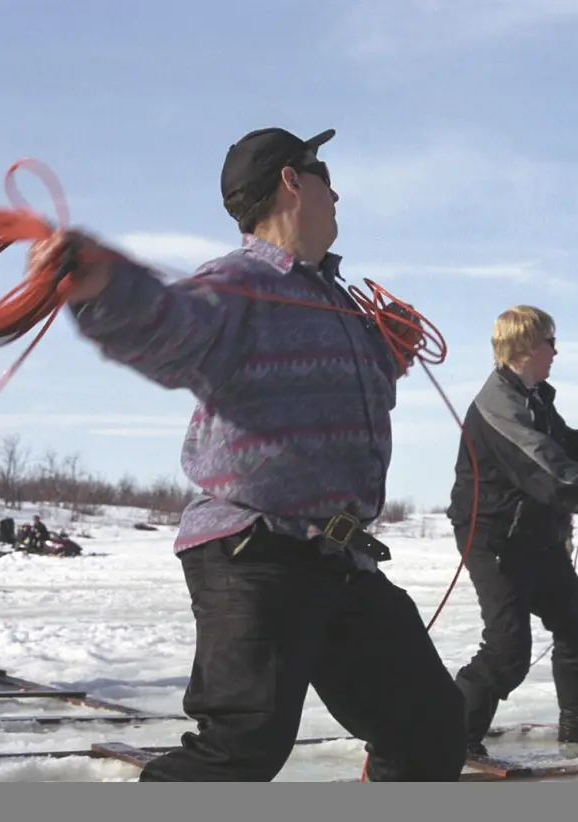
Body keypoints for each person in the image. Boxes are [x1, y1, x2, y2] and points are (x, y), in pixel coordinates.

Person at [26, 126, 466, 782]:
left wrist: (382, 355)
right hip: (253, 550)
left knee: (429, 727)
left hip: (336, 558)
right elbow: (167, 324)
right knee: (242, 745)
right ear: (293, 180)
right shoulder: (237, 285)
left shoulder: (336, 301)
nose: (336, 190)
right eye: (324, 174)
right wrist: (103, 287)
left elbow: (336, 404)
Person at [446, 305, 578, 758]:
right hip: (494, 538)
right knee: (507, 650)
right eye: (550, 342)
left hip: (535, 535)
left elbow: (565, 443)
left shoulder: (532, 397)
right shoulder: (501, 408)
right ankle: (449, 739)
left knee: (575, 619)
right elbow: (551, 473)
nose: (556, 351)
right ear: (524, 347)